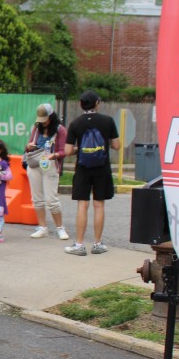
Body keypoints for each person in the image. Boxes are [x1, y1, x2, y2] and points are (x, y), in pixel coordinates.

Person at [63, 90, 120, 256]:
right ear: (97, 103)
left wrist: (80, 149)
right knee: (99, 205)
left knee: (82, 205)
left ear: (81, 105)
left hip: (83, 168)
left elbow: (67, 151)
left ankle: (79, 244)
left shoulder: (75, 123)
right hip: (102, 168)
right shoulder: (108, 121)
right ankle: (97, 244)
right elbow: (116, 145)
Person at [23, 103, 68, 240]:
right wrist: (29, 147)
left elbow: (64, 151)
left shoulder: (60, 130)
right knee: (37, 199)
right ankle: (42, 227)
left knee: (51, 199)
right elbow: (28, 147)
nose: (43, 122)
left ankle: (60, 228)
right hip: (35, 164)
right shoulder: (37, 128)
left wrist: (54, 155)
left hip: (50, 164)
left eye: (45, 119)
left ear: (51, 116)